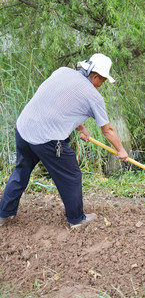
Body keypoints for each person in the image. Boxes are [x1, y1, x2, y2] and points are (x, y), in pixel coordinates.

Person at [0, 53, 128, 228]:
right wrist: (121, 150)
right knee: (71, 175)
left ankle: (3, 214)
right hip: (47, 139)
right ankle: (76, 219)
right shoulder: (94, 96)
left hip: (24, 128)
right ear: (95, 76)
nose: (102, 85)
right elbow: (107, 129)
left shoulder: (62, 72)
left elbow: (58, 105)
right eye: (103, 81)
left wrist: (80, 127)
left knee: (20, 172)